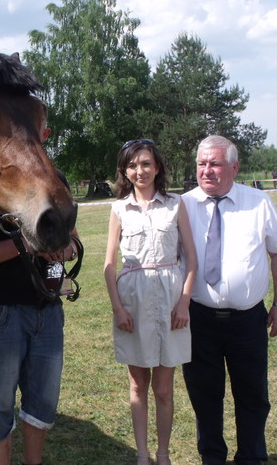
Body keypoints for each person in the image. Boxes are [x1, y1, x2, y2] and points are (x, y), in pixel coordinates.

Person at [0, 108, 77, 465]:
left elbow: (71, 241)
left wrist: (65, 249)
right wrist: (23, 245)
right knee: (0, 400)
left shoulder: (58, 182)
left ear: (44, 134)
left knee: (43, 399)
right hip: (0, 310)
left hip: (48, 309)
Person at [182, 135, 277, 465]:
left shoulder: (258, 203)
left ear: (234, 167)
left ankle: (252, 457)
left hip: (248, 321)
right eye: (202, 164)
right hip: (198, 319)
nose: (207, 171)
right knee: (204, 395)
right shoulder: (182, 206)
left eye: (215, 164)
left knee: (253, 395)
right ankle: (212, 457)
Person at [103, 139, 197, 465]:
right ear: (125, 171)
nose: (139, 171)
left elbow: (192, 260)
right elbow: (109, 265)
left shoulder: (175, 205)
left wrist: (184, 303)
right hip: (133, 300)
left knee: (164, 389)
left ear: (157, 167)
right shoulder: (118, 209)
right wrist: (118, 309)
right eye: (132, 165)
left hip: (170, 299)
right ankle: (142, 455)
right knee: (138, 385)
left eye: (145, 164)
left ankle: (164, 453)